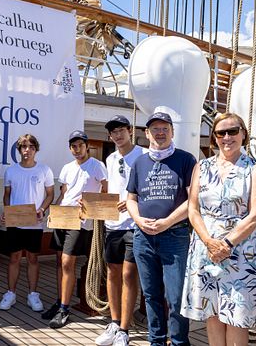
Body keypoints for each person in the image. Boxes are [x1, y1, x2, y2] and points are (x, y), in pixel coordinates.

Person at [181, 113, 256, 345]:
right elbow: (193, 209)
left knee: (237, 316)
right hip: (205, 248)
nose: (227, 137)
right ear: (214, 138)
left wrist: (226, 244)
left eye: (233, 131)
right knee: (213, 312)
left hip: (239, 251)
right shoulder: (202, 166)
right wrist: (209, 242)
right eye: (221, 133)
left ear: (243, 134)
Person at [126, 112, 196, 346]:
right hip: (143, 238)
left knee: (175, 298)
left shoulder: (186, 160)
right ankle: (156, 341)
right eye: (155, 129)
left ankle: (178, 342)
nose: (160, 132)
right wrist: (138, 219)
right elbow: (131, 198)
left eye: (165, 128)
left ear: (172, 132)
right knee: (151, 296)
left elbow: (192, 200)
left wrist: (167, 222)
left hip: (174, 236)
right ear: (147, 134)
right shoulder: (139, 162)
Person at [46, 130, 107, 329]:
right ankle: (60, 301)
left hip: (80, 220)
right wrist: (53, 212)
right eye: (73, 146)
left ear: (87, 146)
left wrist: (91, 204)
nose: (77, 149)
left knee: (67, 262)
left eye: (80, 145)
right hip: (62, 217)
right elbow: (63, 194)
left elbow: (106, 192)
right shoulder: (66, 168)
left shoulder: (97, 166)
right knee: (59, 262)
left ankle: (64, 308)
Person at [96, 115, 147, 346]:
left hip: (134, 224)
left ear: (130, 131)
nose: (117, 135)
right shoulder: (110, 158)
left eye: (121, 130)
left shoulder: (144, 156)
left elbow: (150, 190)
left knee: (128, 274)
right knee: (112, 272)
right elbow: (109, 189)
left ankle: (125, 330)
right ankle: (115, 322)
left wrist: (133, 201)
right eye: (113, 132)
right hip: (112, 224)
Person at [0, 134, 54, 312]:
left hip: (34, 223)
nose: (27, 150)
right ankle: (10, 293)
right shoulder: (11, 171)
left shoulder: (45, 170)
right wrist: (7, 212)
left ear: (36, 149)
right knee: (14, 258)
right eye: (23, 147)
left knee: (32, 258)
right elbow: (7, 195)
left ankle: (33, 294)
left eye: (31, 147)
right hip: (15, 222)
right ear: (19, 150)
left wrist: (42, 210)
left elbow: (50, 194)